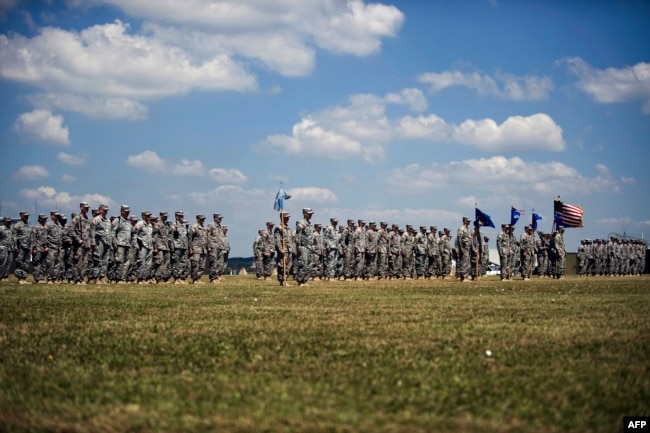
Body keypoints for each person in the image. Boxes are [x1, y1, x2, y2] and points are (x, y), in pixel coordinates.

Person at [70, 202, 92, 284]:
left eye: (87, 208)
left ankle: (81, 279)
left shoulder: (88, 219)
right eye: (85, 207)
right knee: (78, 262)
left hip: (87, 244)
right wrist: (77, 239)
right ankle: (76, 279)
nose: (87, 209)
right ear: (81, 208)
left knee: (85, 262)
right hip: (79, 244)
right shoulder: (77, 218)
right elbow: (71, 229)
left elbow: (90, 232)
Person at [90, 204, 111, 284]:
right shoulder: (96, 220)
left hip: (107, 242)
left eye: (106, 210)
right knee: (98, 259)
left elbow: (109, 232)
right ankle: (96, 277)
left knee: (105, 260)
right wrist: (93, 242)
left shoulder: (107, 220)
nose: (105, 212)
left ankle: (102, 277)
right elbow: (92, 231)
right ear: (100, 210)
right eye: (104, 210)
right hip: (99, 242)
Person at [111, 205, 132, 284]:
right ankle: (116, 278)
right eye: (126, 212)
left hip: (127, 244)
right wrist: (114, 243)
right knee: (119, 262)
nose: (127, 213)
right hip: (120, 244)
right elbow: (113, 232)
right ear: (122, 211)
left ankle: (122, 278)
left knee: (126, 262)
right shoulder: (117, 220)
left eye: (128, 212)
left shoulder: (128, 221)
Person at [295, 208, 315, 286]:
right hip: (303, 247)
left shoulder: (310, 224)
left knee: (310, 265)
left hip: (310, 248)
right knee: (303, 264)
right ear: (304, 214)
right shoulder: (301, 223)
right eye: (309, 214)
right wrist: (298, 246)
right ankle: (300, 281)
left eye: (311, 214)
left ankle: (305, 281)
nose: (310, 215)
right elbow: (298, 236)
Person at [133, 211, 154, 284]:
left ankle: (144, 278)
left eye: (149, 216)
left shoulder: (150, 225)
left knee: (148, 263)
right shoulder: (140, 224)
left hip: (149, 246)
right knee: (141, 262)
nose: (149, 217)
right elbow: (134, 234)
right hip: (142, 246)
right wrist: (136, 245)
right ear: (143, 216)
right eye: (147, 216)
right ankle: (139, 279)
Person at [171, 211, 190, 284]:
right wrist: (172, 247)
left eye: (182, 216)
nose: (182, 217)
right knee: (176, 262)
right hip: (177, 246)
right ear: (176, 216)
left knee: (183, 262)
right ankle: (176, 278)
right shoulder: (174, 224)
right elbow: (171, 237)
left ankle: (179, 278)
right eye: (180, 216)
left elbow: (185, 236)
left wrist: (187, 247)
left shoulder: (184, 225)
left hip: (184, 246)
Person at [13, 211, 32, 284]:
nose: (27, 217)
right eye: (25, 216)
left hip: (27, 247)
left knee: (26, 263)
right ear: (21, 216)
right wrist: (15, 247)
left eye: (27, 216)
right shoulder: (17, 225)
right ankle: (20, 278)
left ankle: (24, 278)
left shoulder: (28, 225)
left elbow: (30, 237)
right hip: (20, 246)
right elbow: (14, 237)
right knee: (20, 262)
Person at [189, 214, 208, 284]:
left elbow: (206, 238)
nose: (203, 221)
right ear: (198, 219)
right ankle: (194, 279)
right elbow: (190, 238)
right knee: (195, 264)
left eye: (204, 219)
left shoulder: (204, 228)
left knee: (202, 266)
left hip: (203, 250)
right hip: (196, 249)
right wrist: (190, 248)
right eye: (201, 219)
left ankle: (198, 278)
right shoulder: (194, 227)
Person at [207, 213, 225, 283]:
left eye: (221, 218)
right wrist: (208, 246)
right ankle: (213, 278)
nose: (220, 219)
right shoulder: (211, 225)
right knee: (213, 263)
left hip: (219, 247)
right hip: (213, 246)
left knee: (218, 263)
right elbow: (207, 236)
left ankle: (216, 276)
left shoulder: (219, 226)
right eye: (219, 218)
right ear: (215, 218)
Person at [45, 210, 63, 284]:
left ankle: (54, 278)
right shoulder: (48, 225)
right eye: (56, 216)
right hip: (51, 247)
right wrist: (45, 246)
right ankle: (49, 279)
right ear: (52, 216)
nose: (57, 217)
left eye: (58, 216)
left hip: (58, 248)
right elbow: (44, 236)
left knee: (57, 264)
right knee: (50, 264)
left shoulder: (59, 225)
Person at [455, 216, 472, 282]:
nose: (469, 222)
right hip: (464, 248)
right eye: (468, 221)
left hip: (467, 248)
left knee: (466, 262)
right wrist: (461, 249)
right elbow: (459, 240)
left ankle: (464, 276)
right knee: (464, 263)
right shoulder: (462, 229)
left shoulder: (467, 229)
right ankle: (464, 277)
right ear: (464, 221)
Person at [0, 216, 15, 282]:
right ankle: (1, 276)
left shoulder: (10, 228)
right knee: (3, 262)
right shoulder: (1, 228)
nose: (9, 222)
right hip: (3, 248)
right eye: (7, 221)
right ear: (4, 221)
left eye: (9, 221)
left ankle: (5, 276)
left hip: (10, 248)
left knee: (9, 262)